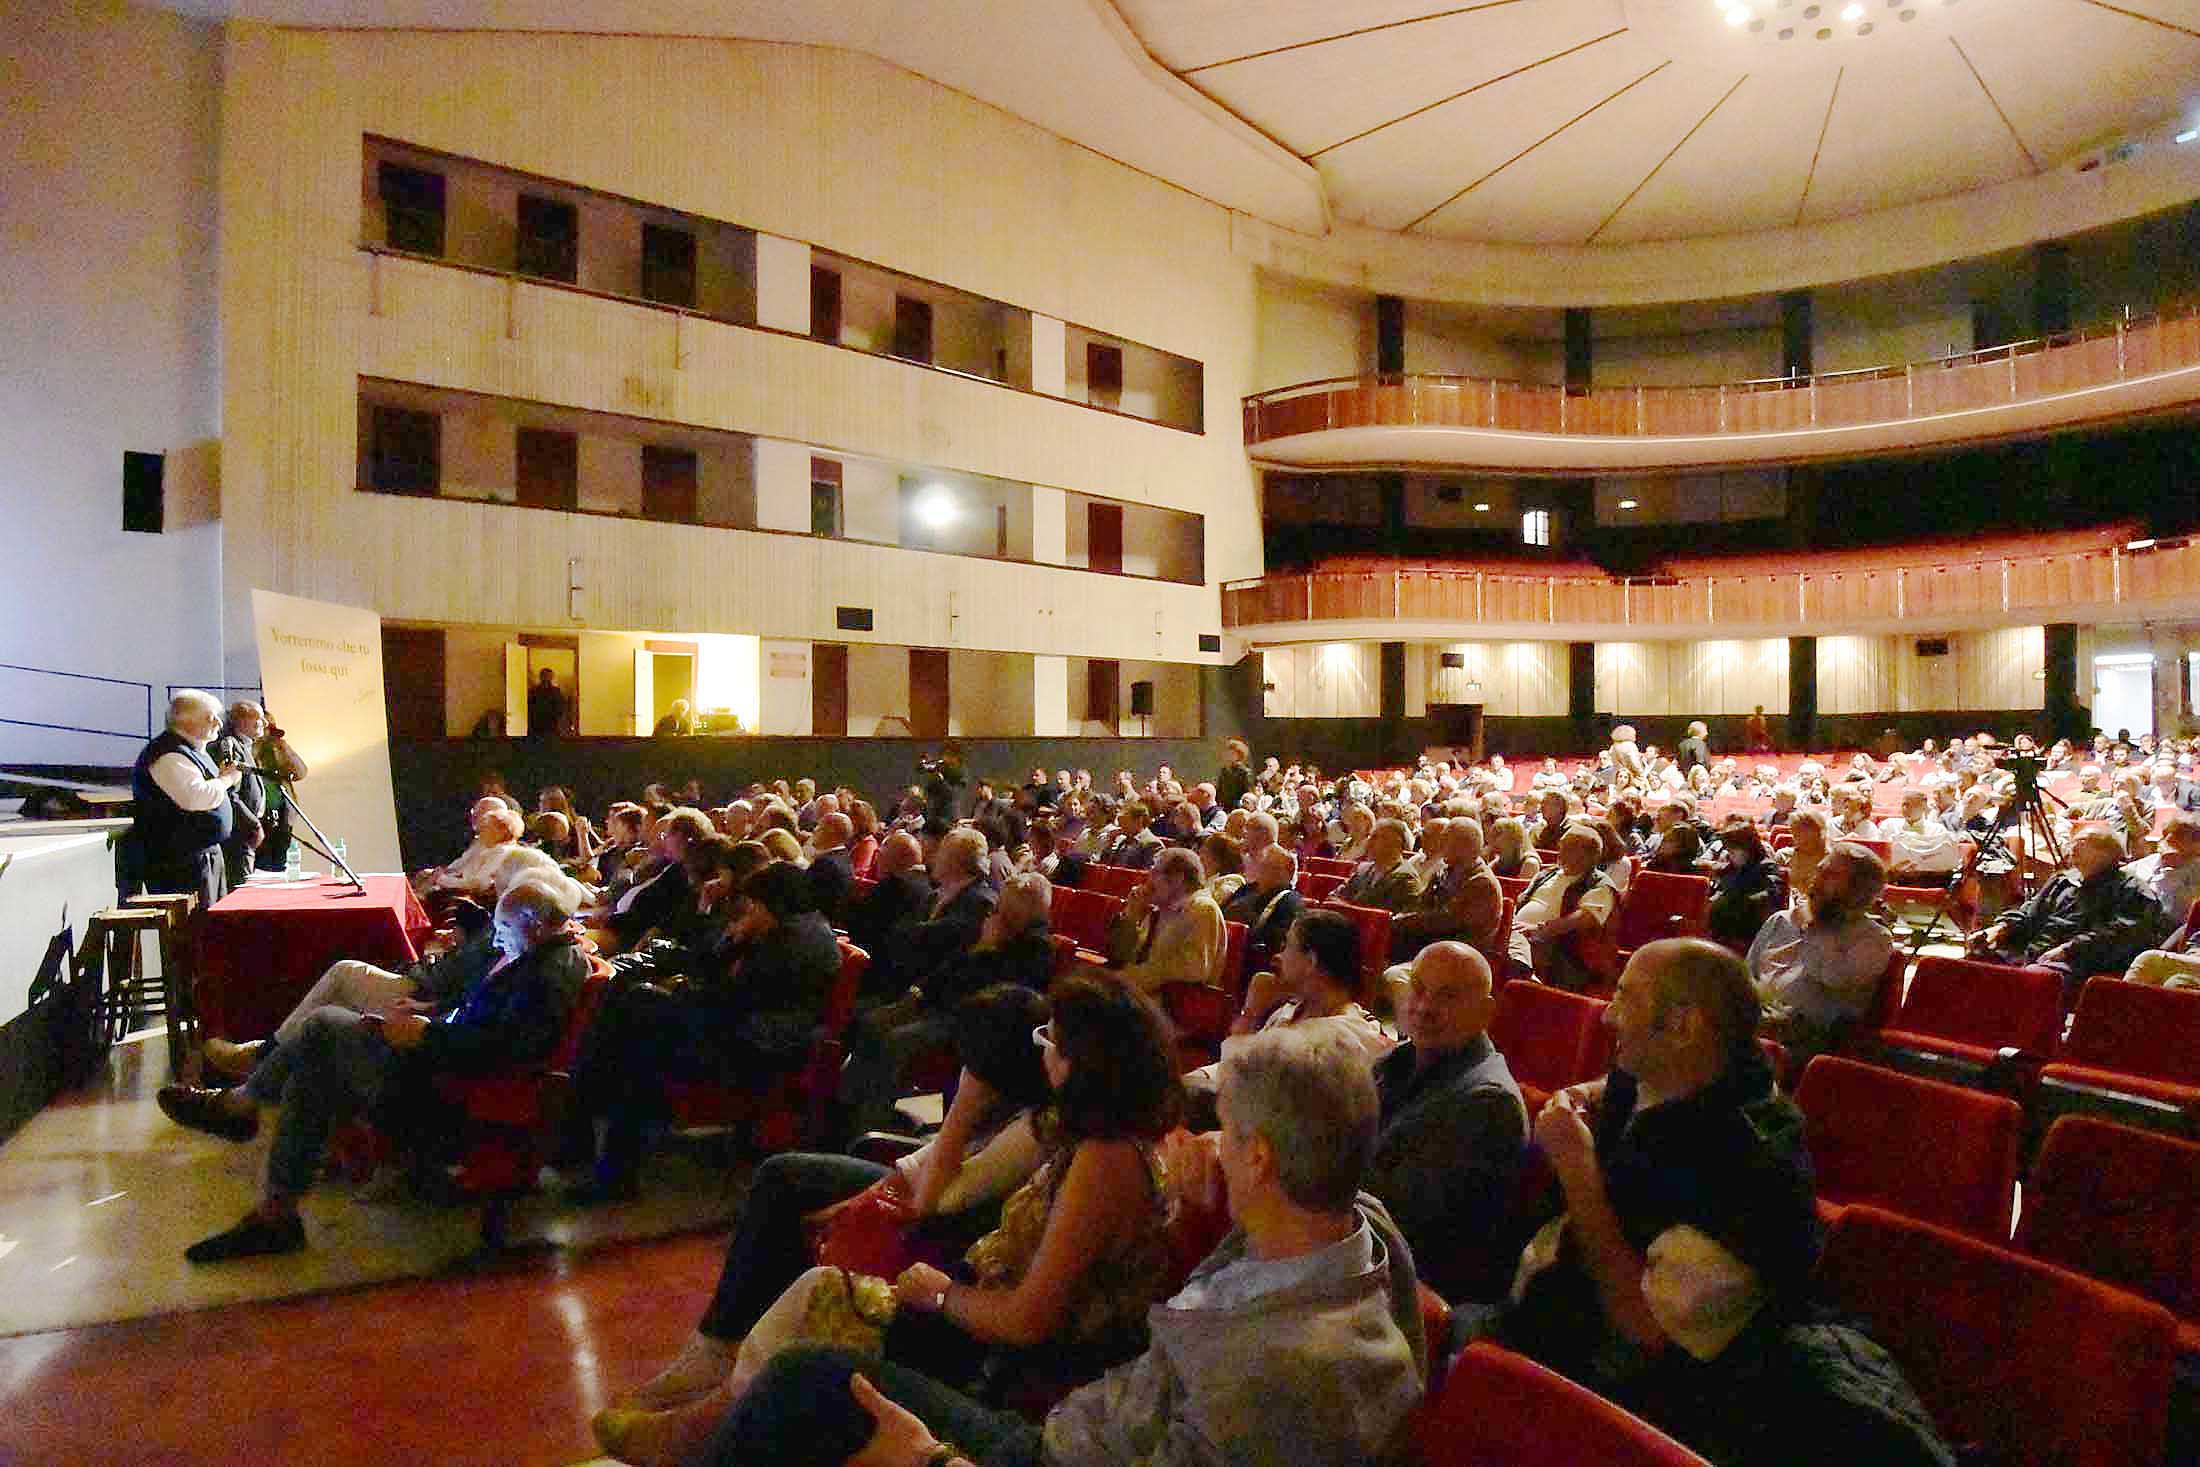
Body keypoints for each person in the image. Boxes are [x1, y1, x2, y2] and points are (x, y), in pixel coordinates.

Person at [682, 1023, 1427, 1467]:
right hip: (1090, 1417)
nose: (1205, 1143)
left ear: (1261, 1156)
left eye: (1225, 1131)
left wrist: (932, 1459)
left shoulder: (1277, 1371)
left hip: (1049, 1451)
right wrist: (1229, 1193)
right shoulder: (1355, 1226)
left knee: (803, 1385)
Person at [601, 976, 1188, 1467]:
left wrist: (939, 1295)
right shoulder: (1088, 1138)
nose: (1044, 1052)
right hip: (977, 1308)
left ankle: (704, 1430)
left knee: (812, 1329)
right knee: (815, 1288)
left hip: (1005, 1360)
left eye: (1052, 1040)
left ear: (1086, 1061)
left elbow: (1029, 1319)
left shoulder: (1105, 1159)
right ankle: (708, 1418)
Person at [603, 985, 1054, 1425]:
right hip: (918, 1183)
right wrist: (864, 1197)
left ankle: (735, 1364)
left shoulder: (1032, 1129)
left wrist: (962, 1106)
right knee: (784, 1179)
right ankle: (719, 1347)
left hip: (945, 1222)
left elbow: (940, 1200)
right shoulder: (998, 1101)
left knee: (786, 1183)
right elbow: (923, 1159)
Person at [1470, 939, 1821, 1460]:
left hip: (1607, 1396)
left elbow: (1642, 1329)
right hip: (1534, 1308)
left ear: (1683, 1026)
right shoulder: (1666, 1072)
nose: (1608, 1016)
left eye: (1626, 998)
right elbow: (1615, 1091)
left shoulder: (1752, 1170)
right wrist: (1579, 1096)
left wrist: (1577, 1171)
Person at [157, 876, 592, 1260]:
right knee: (317, 1067)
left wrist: (424, 1033)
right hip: (440, 1062)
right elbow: (483, 1017)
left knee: (323, 1026)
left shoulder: (548, 974)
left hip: (447, 1090)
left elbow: (506, 1051)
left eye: (502, 930)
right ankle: (275, 1211)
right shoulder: (542, 955)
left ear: (533, 924)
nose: (497, 939)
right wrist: (431, 1011)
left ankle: (246, 1116)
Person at [842, 873, 1057, 1138]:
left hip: (972, 1022)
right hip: (942, 1006)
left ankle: (868, 1124)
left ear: (1027, 909)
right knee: (871, 1022)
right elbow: (949, 970)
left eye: (1007, 906)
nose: (998, 911)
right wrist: (916, 994)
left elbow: (999, 998)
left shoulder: (1039, 949)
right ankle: (849, 1106)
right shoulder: (996, 929)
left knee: (895, 1041)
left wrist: (985, 950)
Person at [1966, 824, 2166, 1002]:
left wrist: (2068, 949)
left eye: (2083, 842)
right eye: (2073, 842)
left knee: (2036, 978)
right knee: (1974, 962)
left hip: (2081, 960)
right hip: (2034, 950)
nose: (2073, 847)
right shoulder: (2062, 880)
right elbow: (2028, 912)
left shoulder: (2132, 890)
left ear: (2108, 852)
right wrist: (2000, 928)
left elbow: (2121, 934)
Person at [1747, 843, 1894, 1068]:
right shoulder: (1782, 920)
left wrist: (1815, 927)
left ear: (1858, 889)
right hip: (1758, 1021)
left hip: (1811, 1039)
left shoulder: (1873, 939)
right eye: (1820, 870)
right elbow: (1748, 973)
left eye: (1831, 874)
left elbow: (1833, 977)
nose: (1817, 879)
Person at [128, 688, 244, 907]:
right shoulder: (168, 754)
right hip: (181, 862)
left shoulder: (191, 751)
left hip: (202, 856)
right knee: (195, 932)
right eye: (211, 718)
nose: (219, 723)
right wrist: (226, 780)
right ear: (185, 721)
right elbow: (194, 797)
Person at [1102, 847, 1226, 995]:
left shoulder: (1202, 909)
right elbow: (1119, 955)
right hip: (1138, 995)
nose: (1149, 880)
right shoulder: (1159, 909)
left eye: (1155, 873)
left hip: (1167, 1005)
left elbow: (1194, 969)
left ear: (1178, 878)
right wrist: (1131, 915)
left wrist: (1132, 979)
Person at [1510, 826, 1619, 989]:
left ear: (1590, 855)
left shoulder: (1600, 885)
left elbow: (1583, 920)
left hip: (1560, 949)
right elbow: (1520, 901)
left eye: (1569, 848)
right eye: (1561, 846)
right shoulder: (1548, 873)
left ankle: (1522, 969)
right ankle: (1521, 969)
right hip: (1522, 934)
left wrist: (1538, 929)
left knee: (1510, 944)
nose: (1560, 852)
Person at [1389, 817, 1504, 964]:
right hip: (1430, 941)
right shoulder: (1445, 871)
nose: (1440, 845)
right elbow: (1421, 904)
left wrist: (1405, 921)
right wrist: (1402, 917)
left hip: (1459, 956)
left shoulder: (1482, 883)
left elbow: (1448, 921)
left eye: (1446, 840)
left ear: (1464, 845)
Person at [1219, 844, 1303, 971]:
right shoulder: (1247, 889)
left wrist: (1245, 922)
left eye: (1270, 867)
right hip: (1222, 947)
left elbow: (1277, 944)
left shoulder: (1290, 901)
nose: (1262, 871)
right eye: (1261, 865)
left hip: (1248, 962)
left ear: (1289, 872)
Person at [1336, 818, 1423, 912]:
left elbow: (1401, 918)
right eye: (1370, 836)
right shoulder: (1362, 869)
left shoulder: (1406, 878)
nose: (1369, 842)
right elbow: (1339, 895)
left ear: (1396, 843)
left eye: (1376, 837)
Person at [1215, 737, 1253, 816]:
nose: (1228, 756)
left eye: (1232, 753)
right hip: (1224, 807)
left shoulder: (1244, 772)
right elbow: (1219, 790)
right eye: (1228, 753)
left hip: (1237, 808)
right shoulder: (1224, 770)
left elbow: (1247, 792)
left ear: (1239, 755)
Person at [526, 667, 567, 738]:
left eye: (548, 676)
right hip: (537, 725)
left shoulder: (556, 691)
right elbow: (530, 707)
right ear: (541, 677)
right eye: (544, 676)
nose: (546, 678)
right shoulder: (533, 691)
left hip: (551, 724)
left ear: (551, 677)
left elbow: (561, 707)